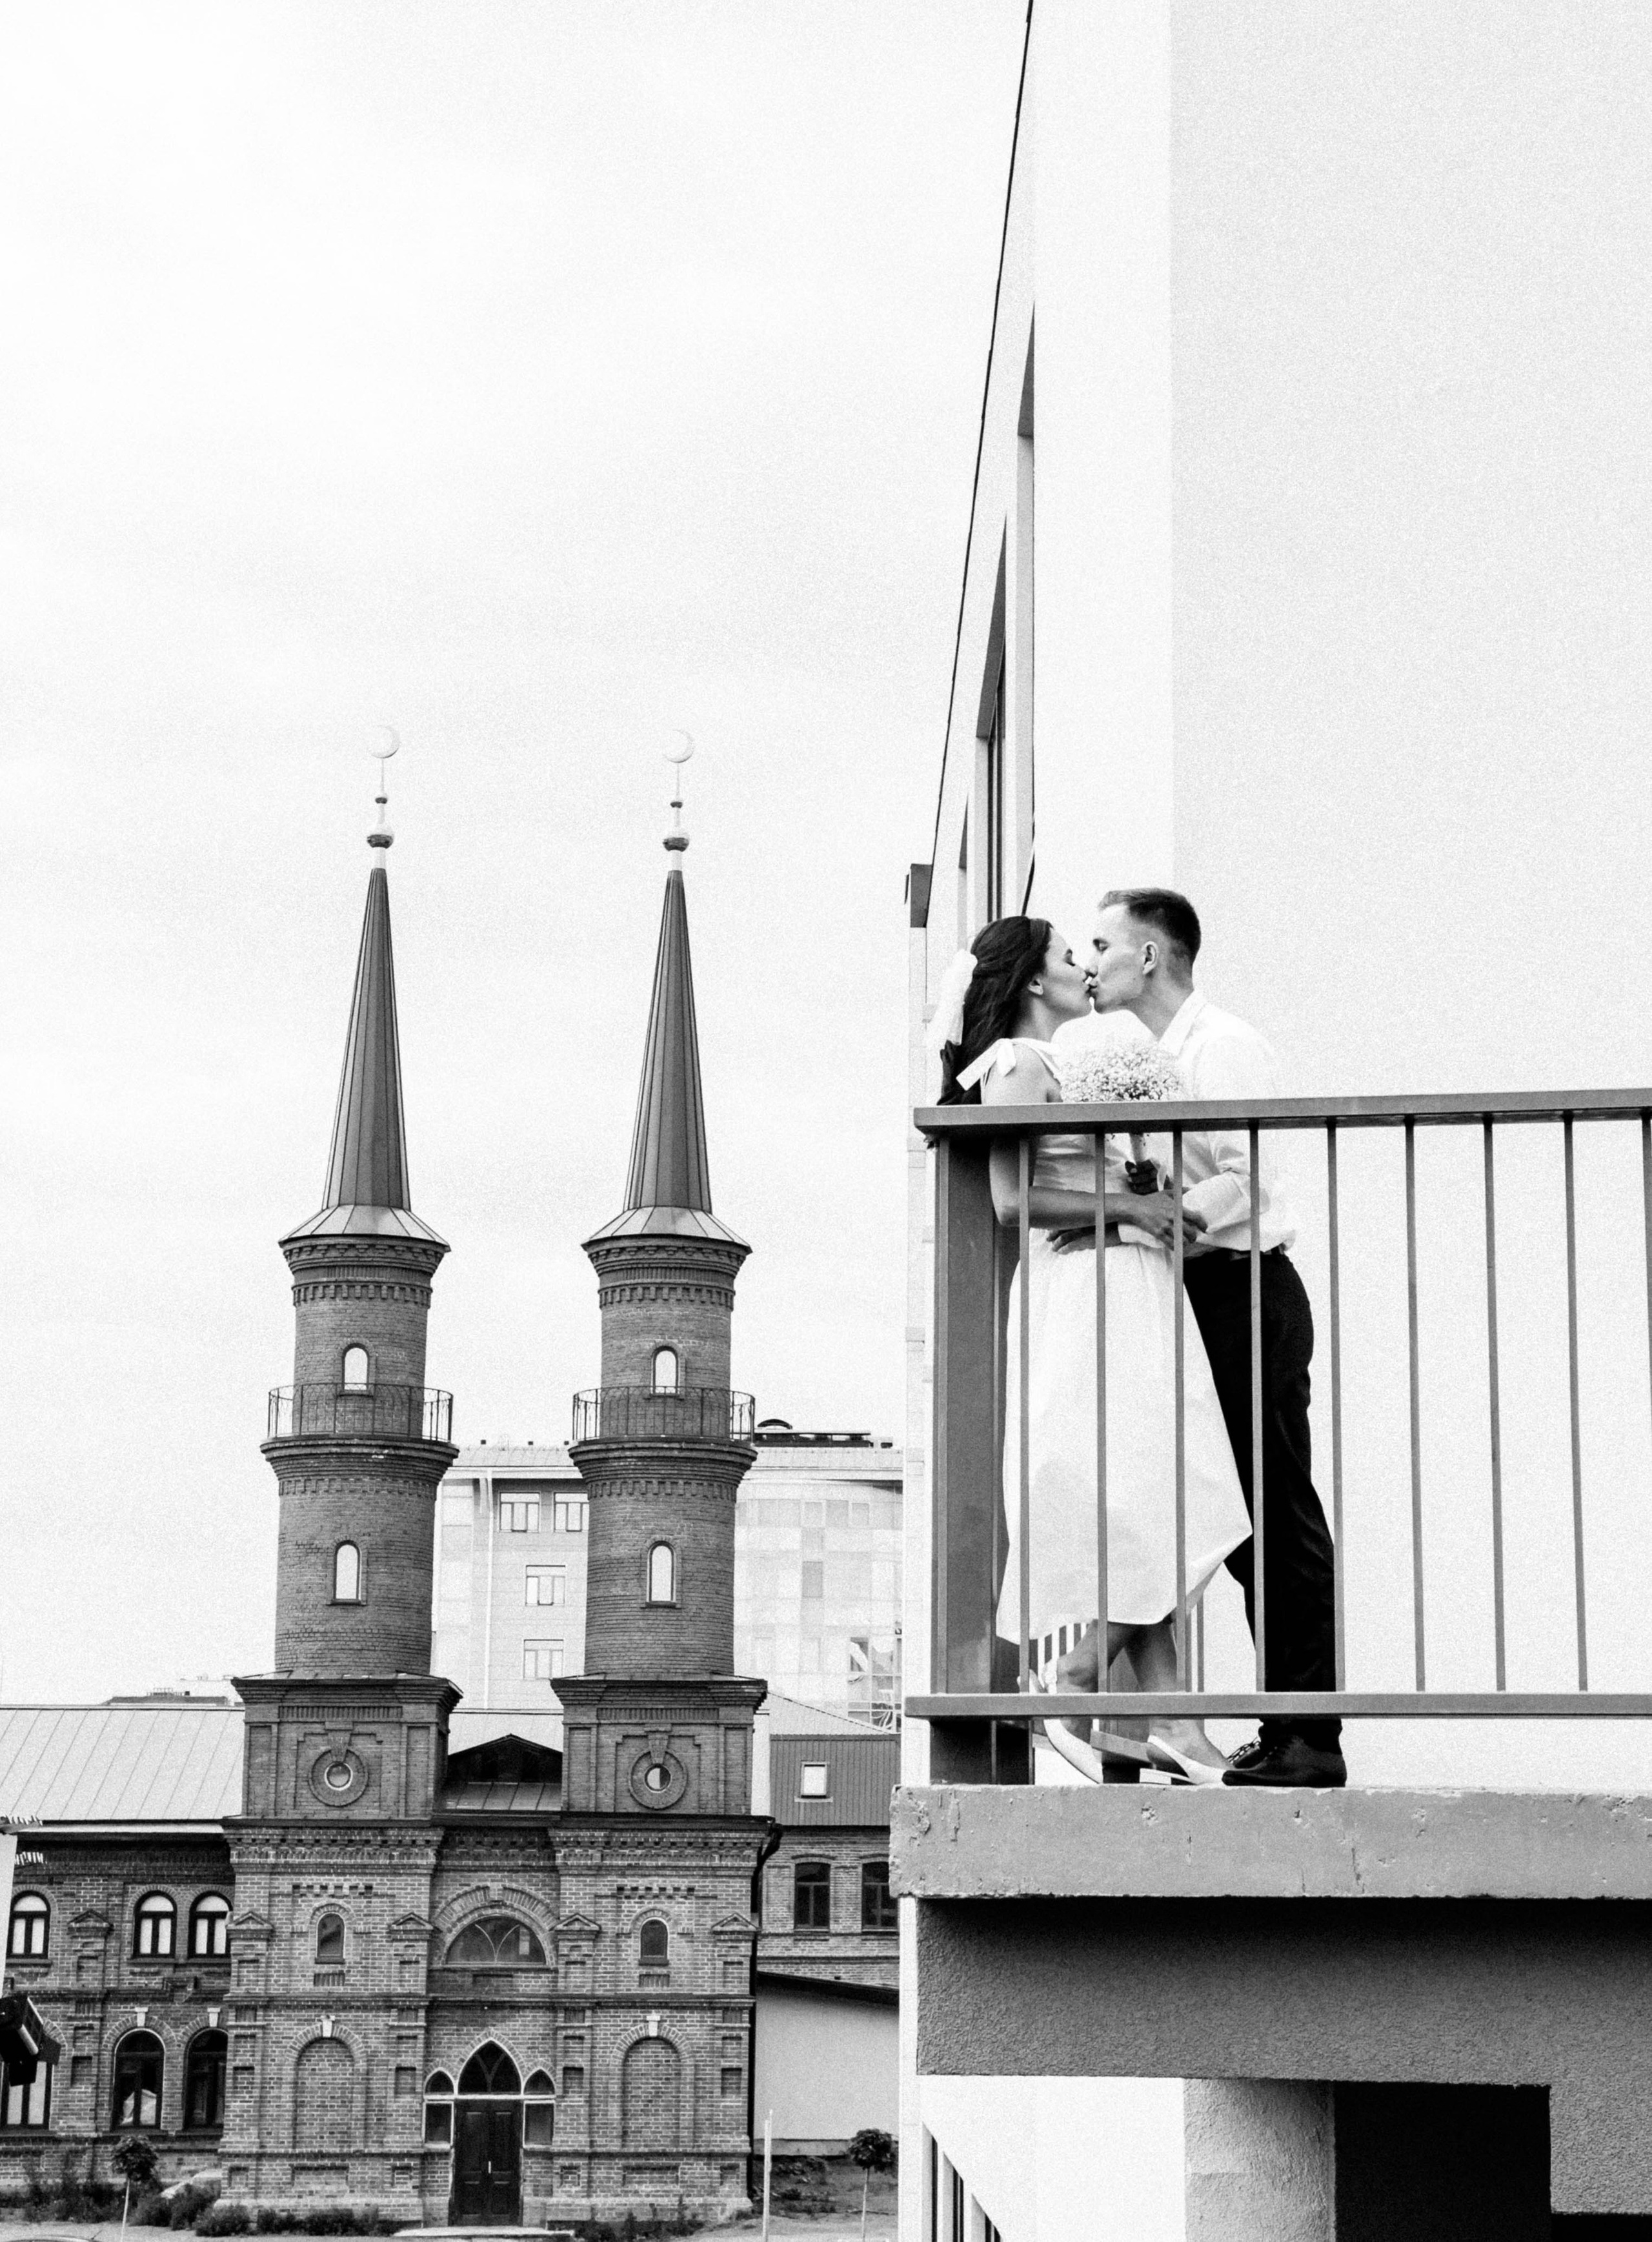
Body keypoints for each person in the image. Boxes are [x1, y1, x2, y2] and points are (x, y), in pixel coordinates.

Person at [933, 914, 1251, 1784]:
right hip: (1085, 1291)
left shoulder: (1066, 1062)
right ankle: (1083, 1678)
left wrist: (1139, 1180)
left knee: (1148, 1492)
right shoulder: (1016, 1065)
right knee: (1144, 1489)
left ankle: (1171, 1719)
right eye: (1068, 956)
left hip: (1125, 1282)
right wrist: (1133, 1211)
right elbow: (1011, 1199)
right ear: (1036, 982)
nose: (1083, 966)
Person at [1084, 887, 1346, 1788]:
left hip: (1246, 1289)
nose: (1091, 962)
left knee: (1279, 1515)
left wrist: (1168, 1213)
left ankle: (1311, 1737)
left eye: (1103, 944)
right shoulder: (1150, 1058)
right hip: (1197, 1295)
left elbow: (1250, 1168)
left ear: (1150, 957)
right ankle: (1285, 1729)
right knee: (1238, 1525)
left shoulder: (1223, 1046)